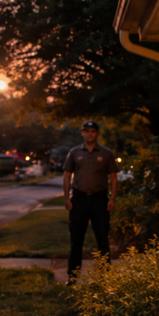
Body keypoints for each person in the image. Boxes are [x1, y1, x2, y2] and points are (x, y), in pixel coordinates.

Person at [63, 121, 118, 283]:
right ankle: (72, 277)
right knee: (76, 240)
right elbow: (67, 176)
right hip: (78, 201)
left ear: (97, 133)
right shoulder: (74, 153)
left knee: (102, 238)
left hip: (99, 201)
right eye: (87, 131)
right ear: (82, 133)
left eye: (93, 131)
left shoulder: (106, 153)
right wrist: (67, 198)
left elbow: (113, 177)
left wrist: (112, 198)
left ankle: (104, 276)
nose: (90, 134)